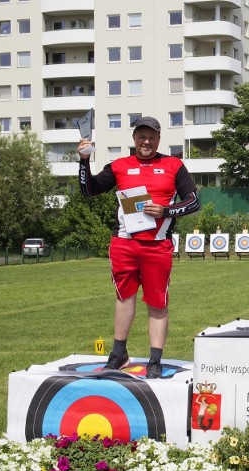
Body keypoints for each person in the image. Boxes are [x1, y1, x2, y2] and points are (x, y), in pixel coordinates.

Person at [78, 116, 199, 378]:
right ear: (134, 139)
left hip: (157, 246)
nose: (147, 141)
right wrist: (84, 160)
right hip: (124, 243)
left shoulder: (173, 164)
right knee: (124, 297)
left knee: (157, 302)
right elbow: (88, 190)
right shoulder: (119, 165)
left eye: (152, 137)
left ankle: (155, 360)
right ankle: (118, 354)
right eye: (142, 137)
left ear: (158, 139)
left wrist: (165, 210)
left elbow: (193, 201)